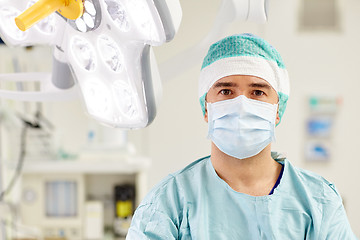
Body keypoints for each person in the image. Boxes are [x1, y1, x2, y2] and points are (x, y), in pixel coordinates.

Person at [126, 34, 357, 239]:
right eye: (226, 91)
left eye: (257, 92)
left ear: (277, 110)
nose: (242, 105)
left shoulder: (319, 201)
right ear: (206, 108)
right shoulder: (167, 203)